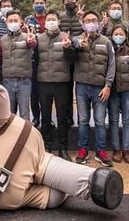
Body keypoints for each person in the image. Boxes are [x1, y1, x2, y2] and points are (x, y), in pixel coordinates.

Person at [73, 10, 115, 167]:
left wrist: (108, 85)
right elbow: (71, 48)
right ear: (83, 23)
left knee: (99, 121)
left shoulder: (106, 41)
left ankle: (100, 151)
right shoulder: (77, 39)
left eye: (93, 20)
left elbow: (112, 64)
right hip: (82, 86)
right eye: (87, 20)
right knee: (83, 120)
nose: (91, 23)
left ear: (98, 23)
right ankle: (82, 149)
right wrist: (77, 45)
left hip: (100, 87)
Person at [35, 10, 74, 161]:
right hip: (43, 82)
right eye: (48, 19)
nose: (51, 21)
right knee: (45, 117)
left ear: (58, 21)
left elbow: (72, 59)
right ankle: (46, 146)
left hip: (61, 82)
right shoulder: (39, 39)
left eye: (53, 19)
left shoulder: (65, 37)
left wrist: (68, 48)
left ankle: (63, 148)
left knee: (62, 117)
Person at [0, 10, 36, 120]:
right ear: (6, 22)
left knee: (24, 115)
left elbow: (33, 44)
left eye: (16, 20)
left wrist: (31, 41)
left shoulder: (27, 37)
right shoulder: (2, 40)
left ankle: (26, 137)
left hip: (24, 81)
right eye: (11, 21)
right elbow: (1, 56)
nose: (13, 23)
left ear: (20, 22)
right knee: (9, 115)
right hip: (7, 81)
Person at [108, 25, 129, 164]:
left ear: (126, 36)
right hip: (112, 90)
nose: (118, 36)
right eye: (116, 33)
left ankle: (126, 149)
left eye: (121, 34)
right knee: (113, 120)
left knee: (127, 120)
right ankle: (116, 149)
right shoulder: (108, 48)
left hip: (128, 89)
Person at [24, 0, 47, 128]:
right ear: (33, 5)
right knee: (34, 91)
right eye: (36, 3)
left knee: (44, 91)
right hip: (32, 57)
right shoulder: (28, 20)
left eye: (41, 3)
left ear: (45, 4)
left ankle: (46, 118)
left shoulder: (51, 18)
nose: (39, 5)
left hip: (47, 57)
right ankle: (36, 117)